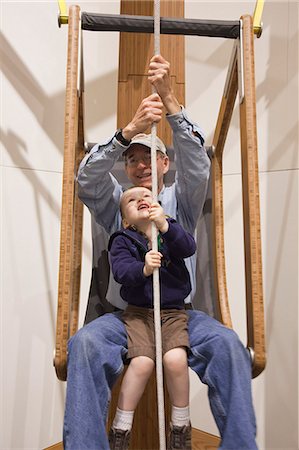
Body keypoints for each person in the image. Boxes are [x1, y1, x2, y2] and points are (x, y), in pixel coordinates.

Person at [63, 55, 257, 450]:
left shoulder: (179, 200)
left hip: (179, 313)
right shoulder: (122, 204)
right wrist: (129, 130)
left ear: (166, 164)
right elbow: (86, 179)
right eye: (132, 159)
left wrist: (169, 100)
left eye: (149, 157)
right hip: (126, 315)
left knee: (229, 347)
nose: (140, 165)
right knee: (83, 345)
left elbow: (199, 164)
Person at [108, 186, 196, 449]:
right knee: (142, 363)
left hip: (172, 311)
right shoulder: (122, 239)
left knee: (176, 359)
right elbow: (121, 272)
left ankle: (180, 427)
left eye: (146, 196)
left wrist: (165, 226)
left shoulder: (169, 229)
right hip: (139, 313)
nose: (141, 200)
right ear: (126, 219)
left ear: (158, 205)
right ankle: (121, 429)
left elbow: (188, 248)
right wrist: (143, 268)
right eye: (132, 200)